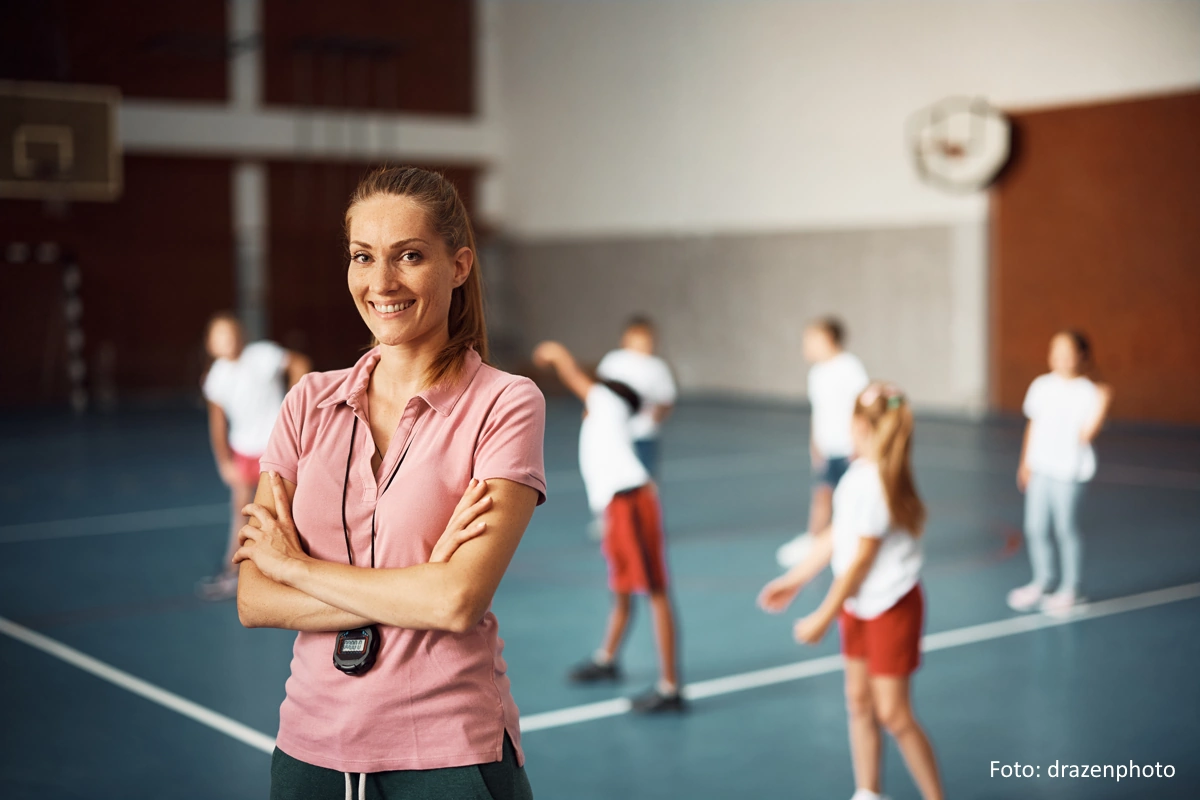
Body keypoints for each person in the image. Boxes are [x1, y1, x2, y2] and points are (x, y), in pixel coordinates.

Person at [233, 166, 546, 799]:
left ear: (458, 266)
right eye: (362, 257)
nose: (382, 283)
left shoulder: (506, 403)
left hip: (448, 756)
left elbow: (456, 602)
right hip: (308, 754)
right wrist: (418, 585)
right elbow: (252, 600)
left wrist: (293, 567)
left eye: (408, 256)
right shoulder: (305, 403)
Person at [759, 381, 942, 800]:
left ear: (861, 426)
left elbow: (860, 562)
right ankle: (868, 791)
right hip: (858, 606)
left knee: (894, 714)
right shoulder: (858, 477)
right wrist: (795, 579)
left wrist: (823, 615)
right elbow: (834, 537)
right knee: (858, 701)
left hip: (889, 607)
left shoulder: (876, 484)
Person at [532, 339, 684, 713]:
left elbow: (573, 376)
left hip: (631, 503)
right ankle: (608, 659)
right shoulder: (608, 414)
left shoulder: (606, 402)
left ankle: (670, 688)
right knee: (621, 586)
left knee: (655, 591)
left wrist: (555, 352)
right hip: (617, 507)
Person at [198, 313, 310, 600]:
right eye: (220, 336)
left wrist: (291, 403)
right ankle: (234, 571)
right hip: (243, 452)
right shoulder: (216, 377)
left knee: (286, 510)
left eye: (231, 333)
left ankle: (297, 570)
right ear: (211, 344)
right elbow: (218, 422)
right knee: (241, 511)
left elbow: (299, 363)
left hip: (273, 448)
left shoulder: (262, 354)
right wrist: (224, 462)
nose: (228, 340)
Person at [1007, 330, 1112, 617]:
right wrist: (1025, 462)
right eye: (1056, 350)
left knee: (1065, 528)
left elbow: (1086, 434)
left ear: (1080, 356)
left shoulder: (1089, 392)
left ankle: (1071, 588)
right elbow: (1033, 425)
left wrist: (1103, 402)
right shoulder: (1041, 385)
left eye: (1067, 351)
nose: (1060, 357)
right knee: (1035, 527)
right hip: (1041, 467)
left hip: (1069, 471)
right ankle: (1042, 581)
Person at [776, 317, 869, 568]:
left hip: (848, 449)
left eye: (812, 340)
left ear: (829, 339)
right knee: (822, 494)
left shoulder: (849, 368)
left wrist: (859, 446)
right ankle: (814, 540)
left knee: (852, 497)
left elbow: (861, 409)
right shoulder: (816, 374)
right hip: (827, 448)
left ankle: (856, 543)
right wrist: (815, 443)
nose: (806, 346)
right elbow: (818, 412)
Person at [596, 316, 677, 476]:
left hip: (644, 435)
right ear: (626, 338)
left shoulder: (657, 366)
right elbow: (598, 390)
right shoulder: (614, 361)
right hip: (616, 433)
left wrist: (656, 418)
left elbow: (666, 398)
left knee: (645, 476)